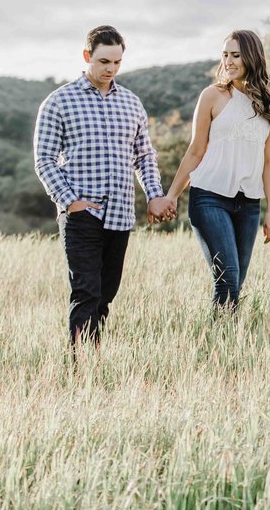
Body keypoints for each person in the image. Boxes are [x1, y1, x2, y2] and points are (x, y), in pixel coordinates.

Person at [33, 25, 176, 348]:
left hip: (121, 216)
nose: (110, 69)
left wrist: (155, 196)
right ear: (87, 57)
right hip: (82, 215)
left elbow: (144, 156)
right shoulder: (59, 102)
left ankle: (94, 363)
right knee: (86, 292)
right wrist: (70, 202)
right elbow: (44, 160)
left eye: (117, 63)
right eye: (103, 62)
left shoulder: (131, 103)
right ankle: (80, 368)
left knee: (106, 296)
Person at [165, 30, 270, 311]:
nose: (228, 61)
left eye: (236, 55)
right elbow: (195, 150)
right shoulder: (212, 96)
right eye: (225, 55)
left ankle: (227, 345)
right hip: (209, 198)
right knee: (227, 279)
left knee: (237, 282)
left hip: (249, 203)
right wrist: (171, 195)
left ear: (252, 57)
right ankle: (218, 345)